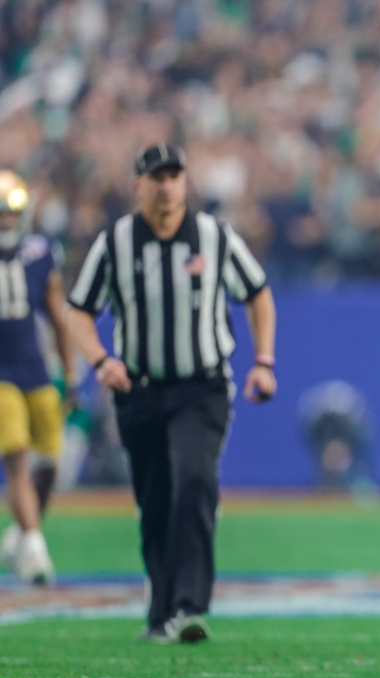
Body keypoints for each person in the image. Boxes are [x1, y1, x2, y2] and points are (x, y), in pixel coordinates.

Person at [66, 143, 278, 643]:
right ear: (138, 185)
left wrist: (264, 361)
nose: (166, 186)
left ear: (185, 182)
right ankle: (161, 609)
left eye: (174, 176)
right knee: (155, 499)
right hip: (139, 389)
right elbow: (79, 310)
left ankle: (190, 604)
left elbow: (257, 293)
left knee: (194, 480)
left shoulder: (214, 237)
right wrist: (100, 359)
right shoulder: (116, 242)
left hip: (201, 386)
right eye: (157, 177)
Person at [0, 170, 75, 585]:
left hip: (35, 368)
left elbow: (57, 316)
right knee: (17, 457)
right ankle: (34, 546)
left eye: (11, 214)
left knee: (50, 462)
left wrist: (70, 372)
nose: (6, 222)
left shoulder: (39, 252)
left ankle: (21, 533)